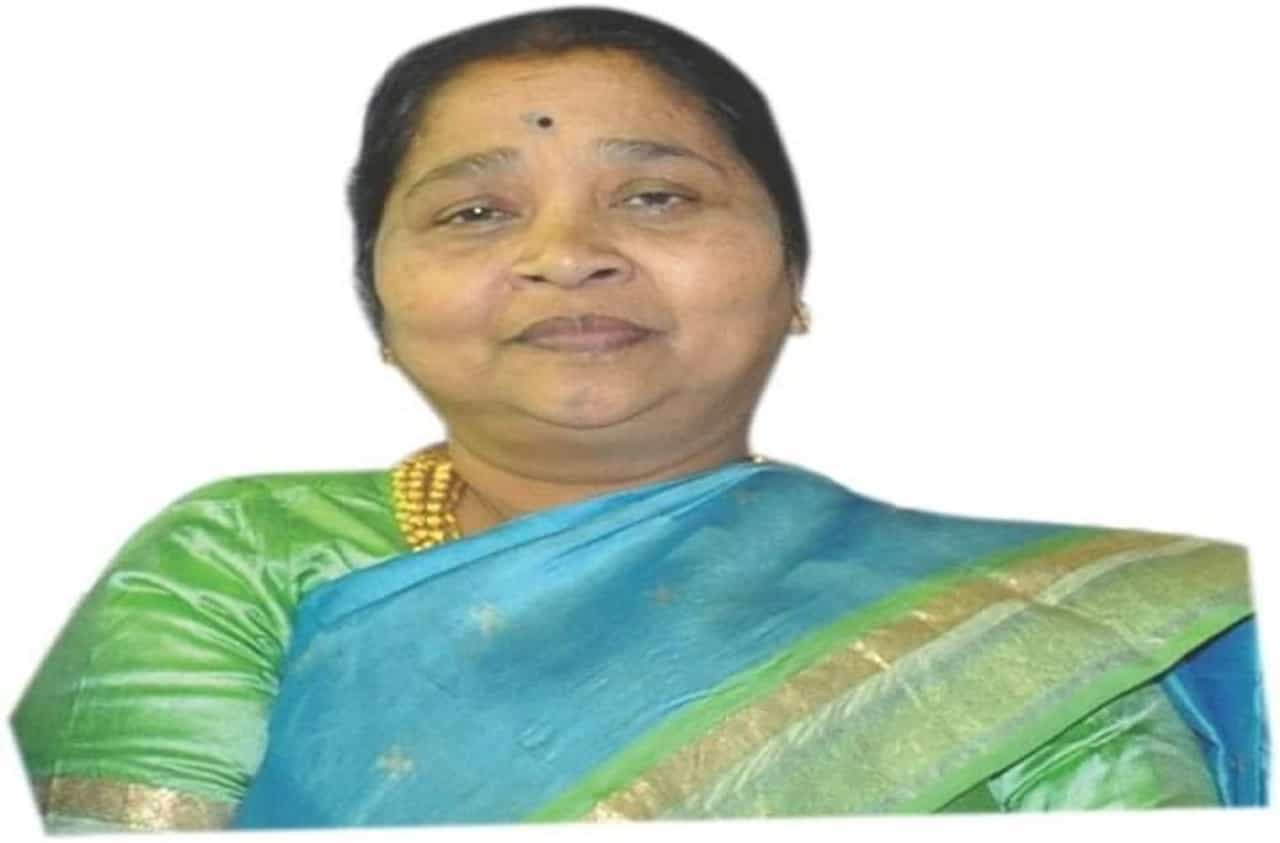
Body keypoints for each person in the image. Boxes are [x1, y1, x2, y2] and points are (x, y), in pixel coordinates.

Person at [10, 6, 1266, 832]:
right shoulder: (238, 557)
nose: (569, 254)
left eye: (657, 197)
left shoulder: (1020, 625)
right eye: (475, 213)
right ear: (378, 306)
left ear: (791, 281)